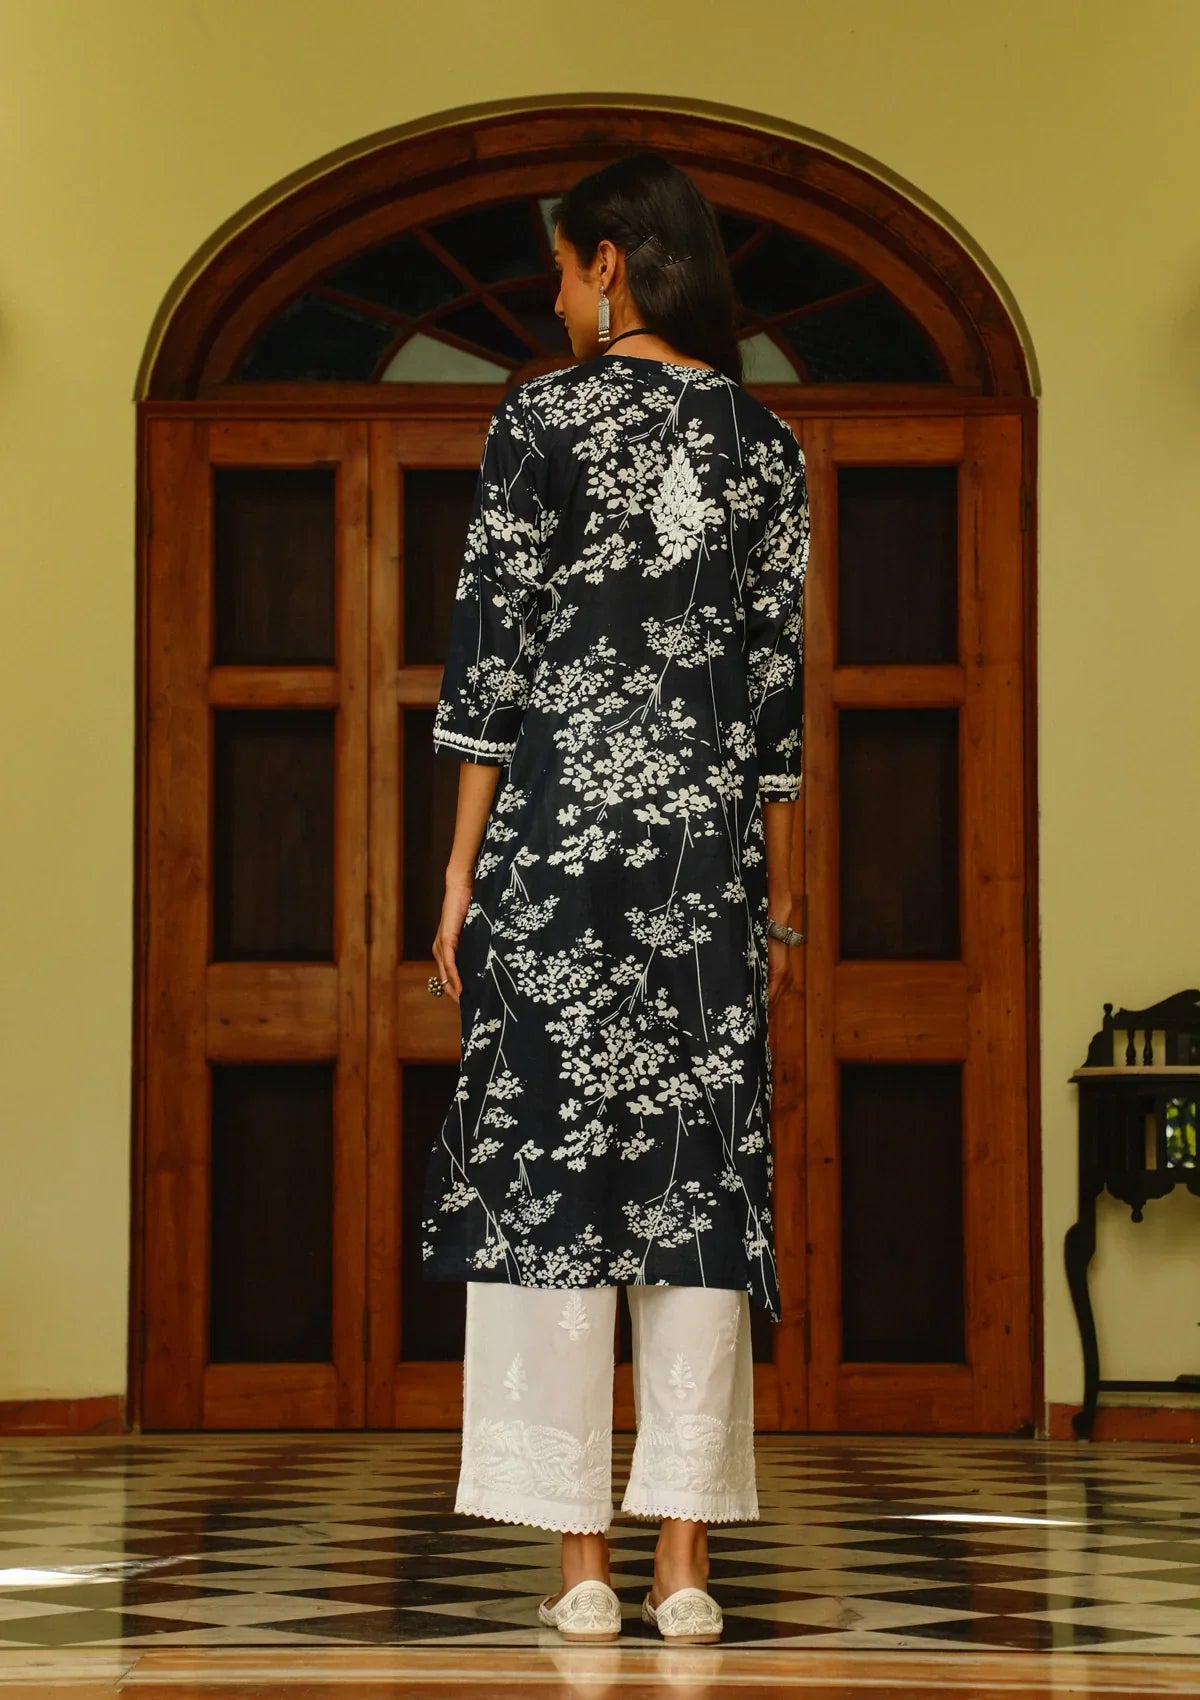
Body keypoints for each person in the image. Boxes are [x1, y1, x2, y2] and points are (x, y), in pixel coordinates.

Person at [422, 150, 809, 1645]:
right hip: (707, 865)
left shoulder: (538, 420)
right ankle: (684, 1564)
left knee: (552, 1178)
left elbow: (489, 664)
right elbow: (774, 708)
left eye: (562, 270)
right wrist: (779, 905)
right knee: (697, 1186)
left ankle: (581, 1563)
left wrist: (459, 872)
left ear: (610, 264)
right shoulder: (767, 445)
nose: (555, 301)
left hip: (557, 852)